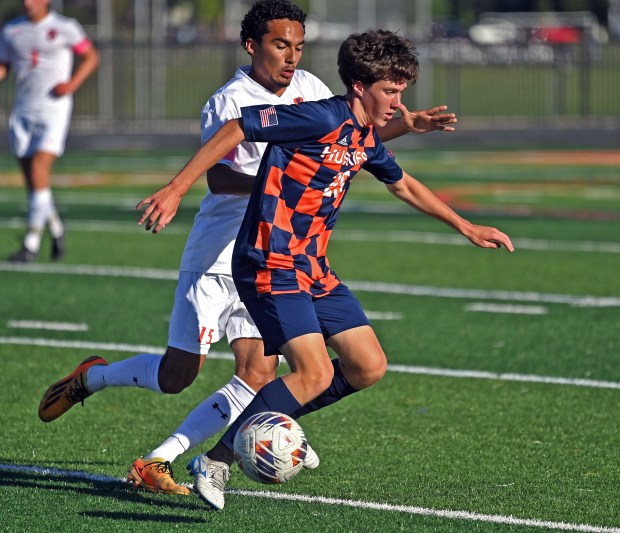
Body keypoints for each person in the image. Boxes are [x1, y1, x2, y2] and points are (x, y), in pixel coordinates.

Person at [38, 0, 457, 496]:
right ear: (252, 45)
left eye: (299, 47)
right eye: (281, 45)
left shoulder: (312, 91)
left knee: (260, 373)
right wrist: (250, 182)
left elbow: (347, 142)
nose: (291, 57)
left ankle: (164, 458)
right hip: (219, 253)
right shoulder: (229, 99)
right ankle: (95, 378)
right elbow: (219, 175)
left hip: (277, 254)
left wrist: (401, 128)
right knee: (178, 374)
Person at [137, 28, 514, 511]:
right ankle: (219, 459)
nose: (399, 103)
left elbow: (403, 185)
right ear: (360, 86)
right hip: (268, 259)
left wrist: (465, 226)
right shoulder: (318, 115)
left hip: (312, 265)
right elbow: (238, 128)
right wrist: (174, 189)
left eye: (402, 91)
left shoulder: (362, 136)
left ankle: (277, 419)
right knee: (313, 373)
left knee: (368, 366)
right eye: (391, 91)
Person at [0, 0, 99, 262]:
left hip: (53, 109)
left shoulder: (65, 27)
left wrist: (71, 84)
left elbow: (91, 56)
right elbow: (4, 66)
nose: (27, 2)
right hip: (22, 110)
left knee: (38, 169)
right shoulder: (11, 30)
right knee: (33, 183)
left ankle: (30, 244)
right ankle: (56, 228)